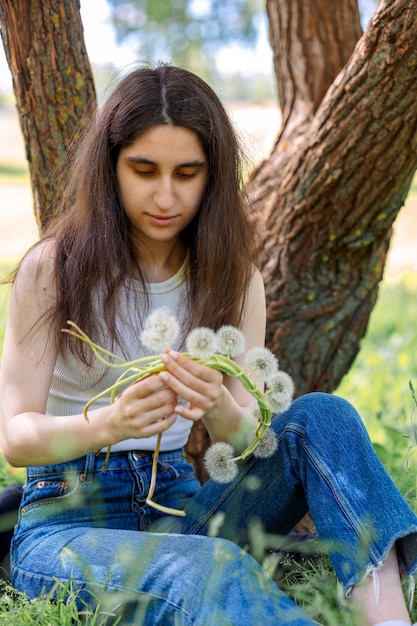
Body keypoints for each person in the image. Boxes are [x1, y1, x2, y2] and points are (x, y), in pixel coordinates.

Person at [0, 64, 416, 626]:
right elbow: (16, 438)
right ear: (110, 168)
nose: (165, 195)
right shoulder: (54, 268)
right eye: (143, 170)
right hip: (67, 523)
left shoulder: (235, 278)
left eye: (187, 173)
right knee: (206, 567)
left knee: (325, 417)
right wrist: (111, 424)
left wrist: (219, 407)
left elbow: (250, 439)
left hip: (182, 510)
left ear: (212, 177)